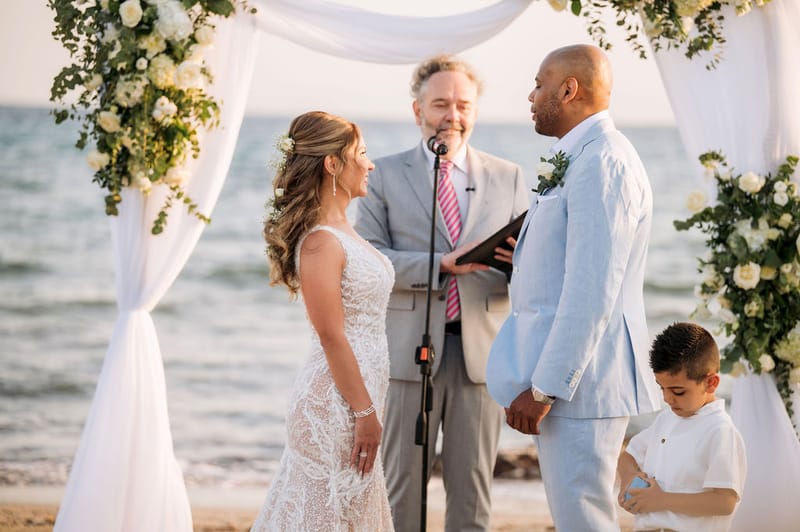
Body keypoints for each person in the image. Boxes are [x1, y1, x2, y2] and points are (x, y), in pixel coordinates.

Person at [486, 44, 662, 530]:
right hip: (571, 383)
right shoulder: (582, 156)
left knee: (584, 519)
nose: (530, 95)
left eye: (539, 84)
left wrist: (544, 389)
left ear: (569, 89)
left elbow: (592, 289)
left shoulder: (604, 163)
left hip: (581, 386)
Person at [354, 55, 529, 531]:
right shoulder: (382, 175)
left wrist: (523, 265)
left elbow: (533, 268)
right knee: (400, 489)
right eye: (440, 104)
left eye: (463, 104)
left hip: (483, 358)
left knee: (472, 490)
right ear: (418, 111)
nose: (453, 115)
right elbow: (367, 259)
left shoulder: (509, 176)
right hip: (408, 355)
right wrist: (440, 266)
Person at [251, 111, 394, 531]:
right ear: (332, 164)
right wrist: (364, 412)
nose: (370, 164)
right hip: (334, 407)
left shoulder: (344, 231)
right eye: (362, 154)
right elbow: (331, 335)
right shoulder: (319, 242)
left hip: (356, 399)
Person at [617, 322, 747, 532]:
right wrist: (629, 479)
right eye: (662, 389)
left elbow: (724, 502)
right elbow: (628, 456)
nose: (668, 399)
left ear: (711, 383)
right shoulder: (666, 419)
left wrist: (662, 500)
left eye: (678, 392)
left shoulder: (720, 431)